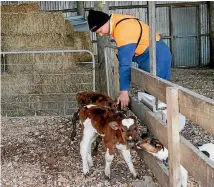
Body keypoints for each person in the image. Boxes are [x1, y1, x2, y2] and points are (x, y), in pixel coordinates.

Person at [87, 9, 172, 109]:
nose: (101, 34)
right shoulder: (119, 21)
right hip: (150, 55)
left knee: (158, 92)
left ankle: (166, 119)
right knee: (151, 90)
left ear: (105, 22)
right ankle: (160, 117)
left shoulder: (123, 30)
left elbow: (124, 65)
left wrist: (124, 92)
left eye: (100, 31)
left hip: (156, 56)